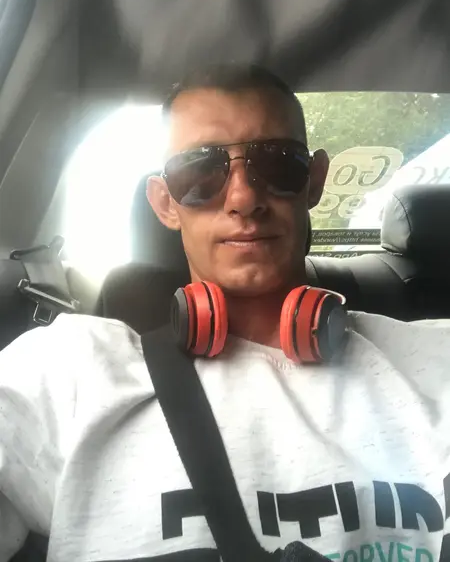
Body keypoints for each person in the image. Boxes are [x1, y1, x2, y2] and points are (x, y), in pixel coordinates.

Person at [0, 64, 449, 562]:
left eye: (277, 164)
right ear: (166, 204)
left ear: (314, 181)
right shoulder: (66, 371)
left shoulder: (436, 360)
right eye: (200, 172)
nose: (243, 198)